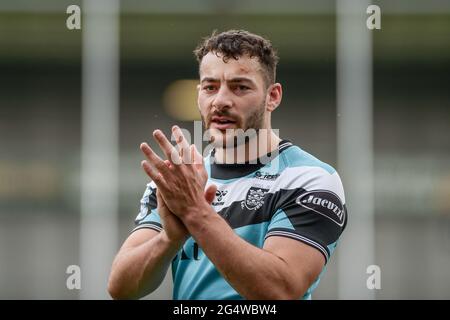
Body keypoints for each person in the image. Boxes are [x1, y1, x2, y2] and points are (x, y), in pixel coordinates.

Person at [107, 30, 347, 300]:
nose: (220, 101)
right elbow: (121, 289)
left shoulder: (308, 179)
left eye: (240, 87)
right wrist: (170, 239)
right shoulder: (180, 181)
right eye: (210, 87)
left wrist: (196, 214)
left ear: (273, 96)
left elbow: (281, 291)